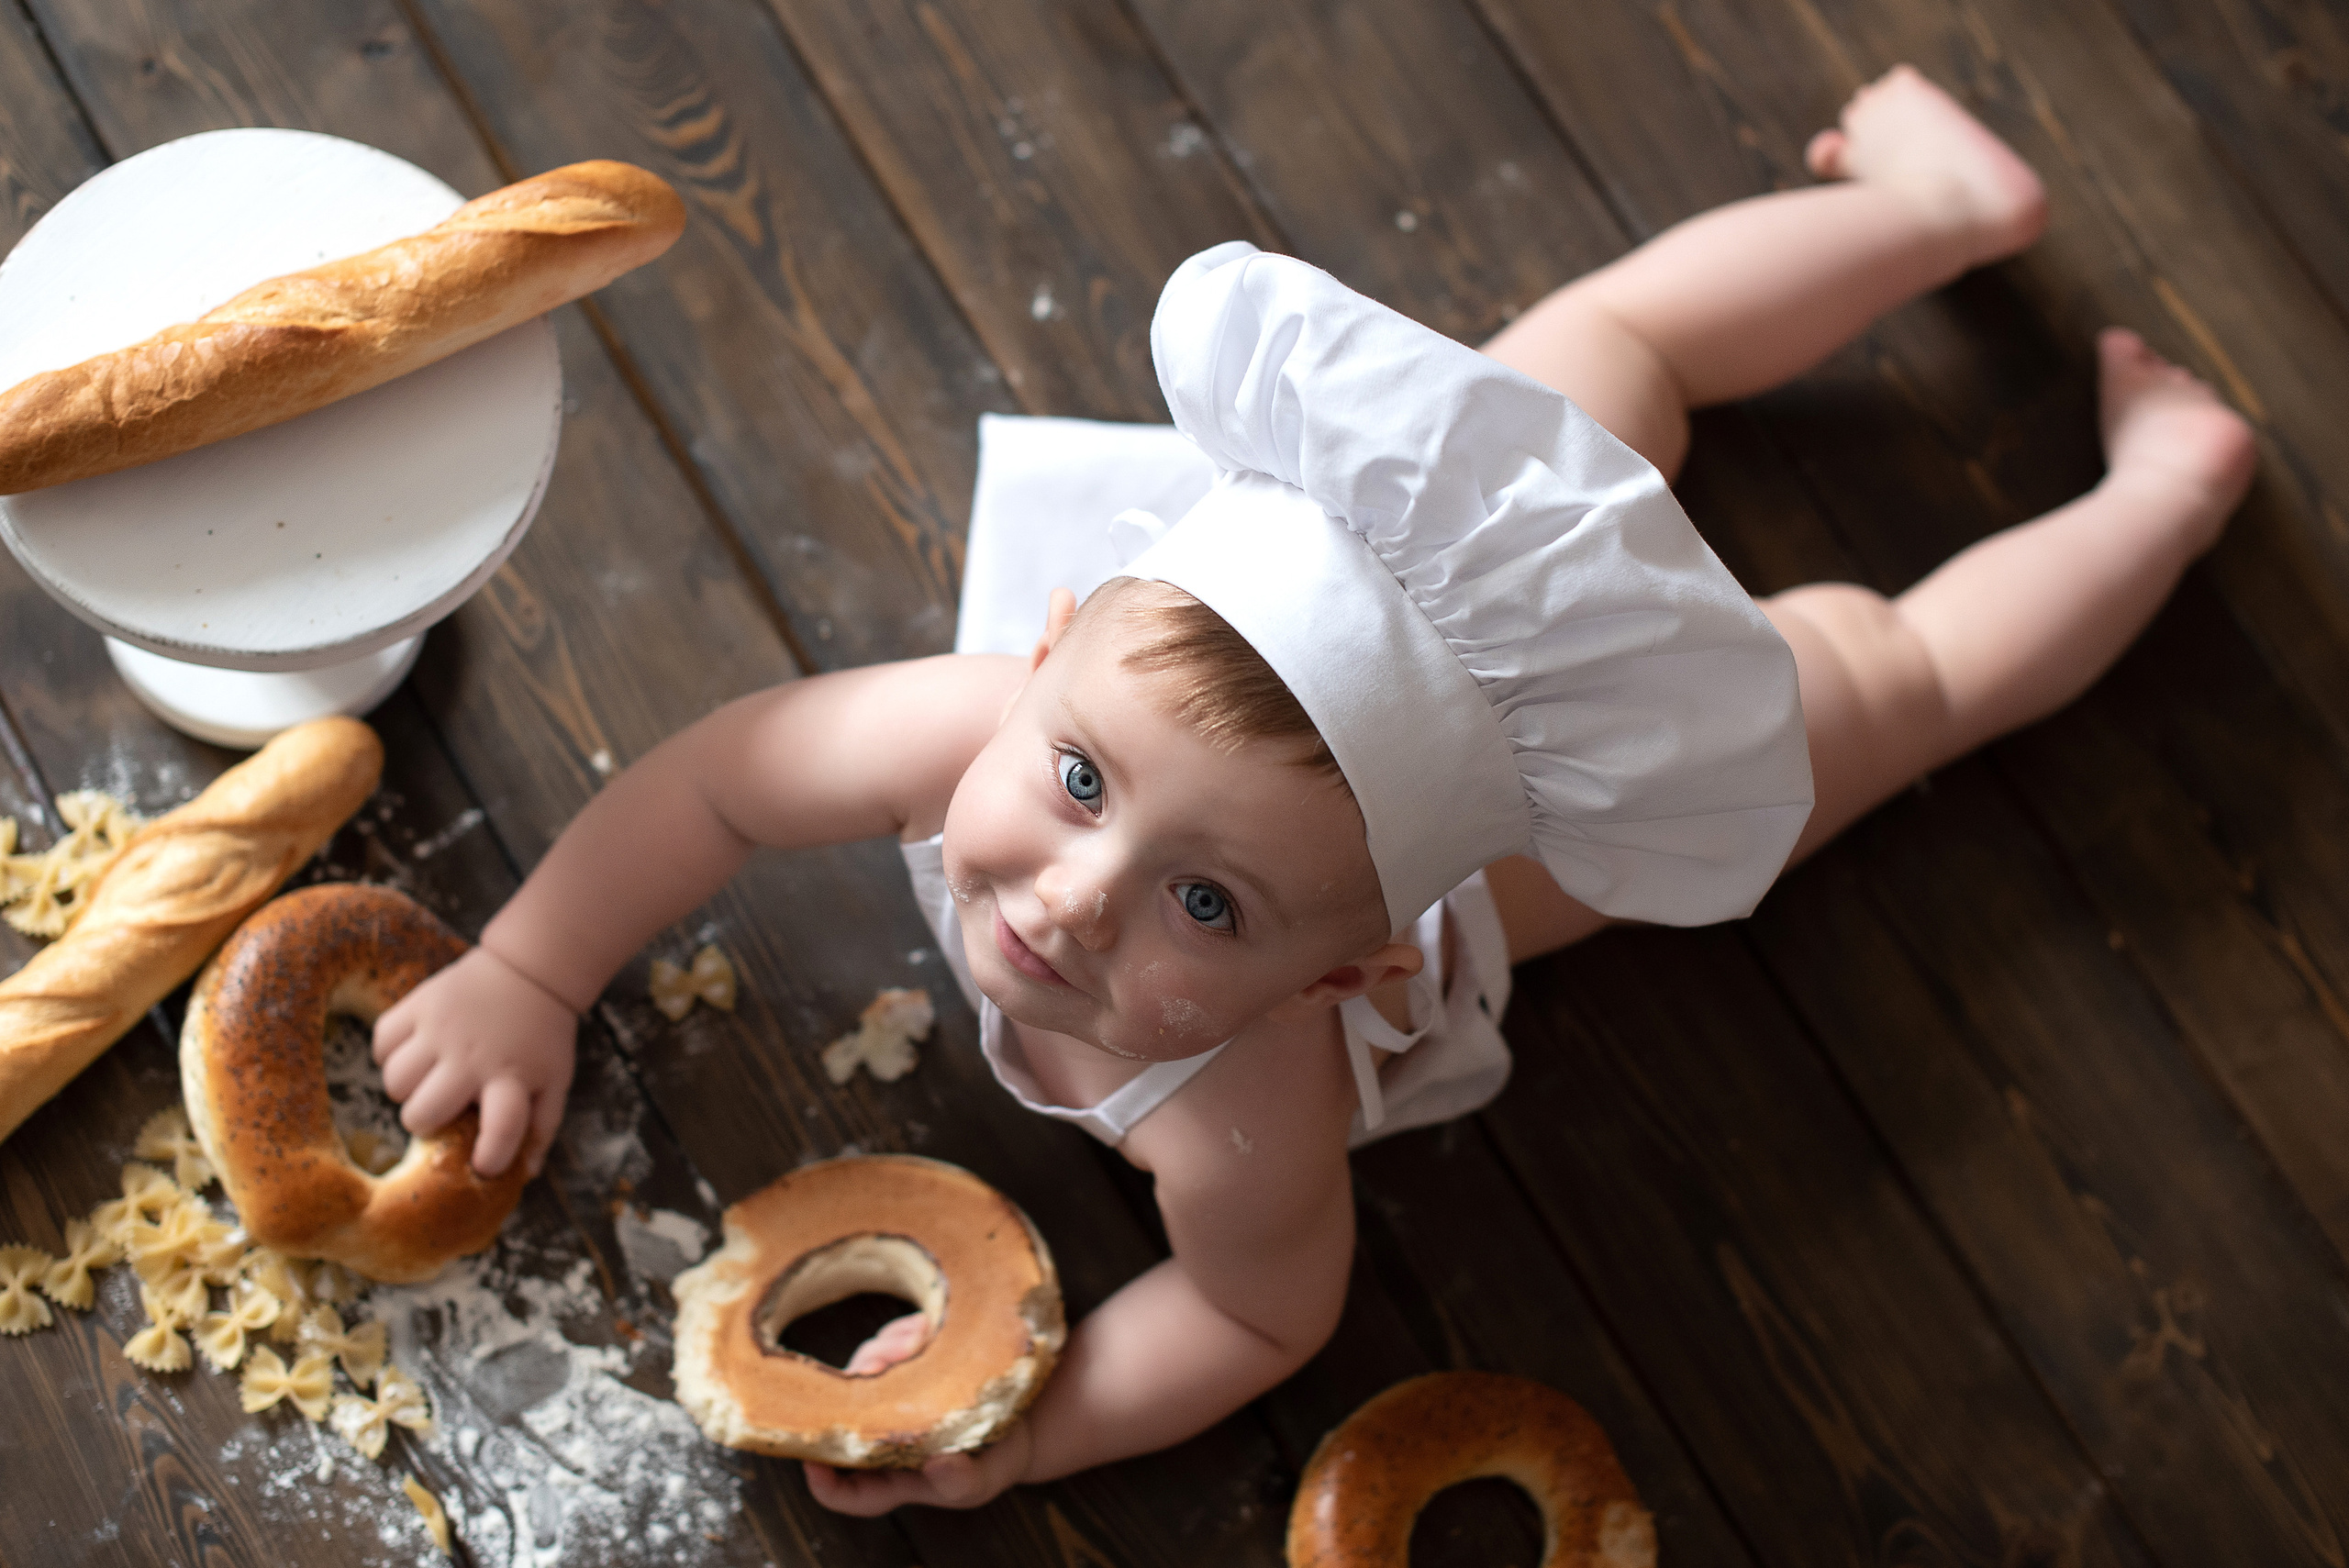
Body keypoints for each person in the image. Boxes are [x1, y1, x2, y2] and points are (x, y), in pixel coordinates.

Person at [370, 66, 2255, 1514]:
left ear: (1343, 977)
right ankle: (1935, 200)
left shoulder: (1240, 1105)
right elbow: (710, 786)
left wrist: (1037, 1440)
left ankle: (2151, 491)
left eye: (1209, 908)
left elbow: (1261, 1315)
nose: (1070, 898)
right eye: (1082, 775)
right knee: (1604, 351)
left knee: (1884, 672)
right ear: (1043, 660)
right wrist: (530, 971)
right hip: (1338, 576)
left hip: (1492, 813)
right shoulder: (961, 730)